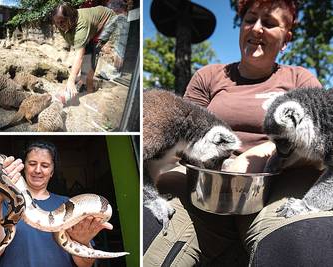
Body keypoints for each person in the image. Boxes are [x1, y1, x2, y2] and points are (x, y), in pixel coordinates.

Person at [143, 0, 333, 266]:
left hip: (276, 183)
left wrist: (260, 154)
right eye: (250, 19)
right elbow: (182, 136)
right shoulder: (209, 76)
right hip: (202, 184)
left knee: (298, 241)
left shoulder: (299, 80)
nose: (256, 29)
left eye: (268, 22)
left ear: (286, 38)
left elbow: (316, 145)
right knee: (151, 229)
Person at [0, 141, 112, 267]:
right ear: (23, 167)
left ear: (52, 172)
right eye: (32, 163)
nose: (37, 170)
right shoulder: (7, 202)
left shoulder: (65, 202)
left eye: (45, 165)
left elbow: (85, 264)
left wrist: (82, 241)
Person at [51, 3, 118, 96]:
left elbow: (80, 56)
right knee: (86, 50)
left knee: (92, 49)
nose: (59, 25)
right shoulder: (61, 23)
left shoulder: (81, 25)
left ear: (69, 18)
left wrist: (71, 80)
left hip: (108, 20)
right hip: (93, 22)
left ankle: (88, 87)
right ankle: (83, 79)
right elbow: (74, 42)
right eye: (57, 22)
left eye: (62, 22)